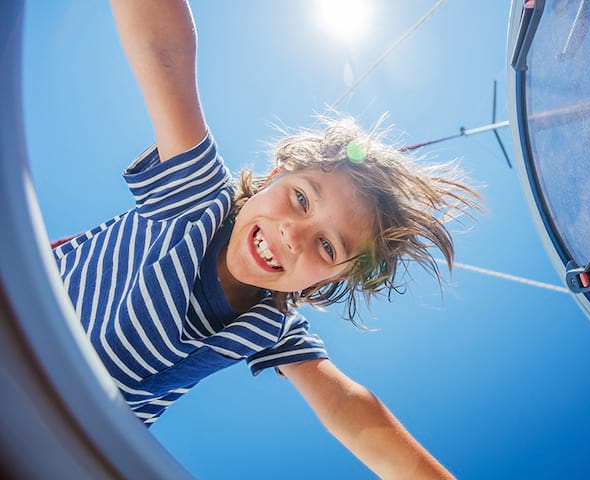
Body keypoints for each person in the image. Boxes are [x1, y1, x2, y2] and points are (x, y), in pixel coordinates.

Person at [52, 1, 478, 478]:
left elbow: (350, 409)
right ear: (275, 174)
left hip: (66, 434)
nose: (293, 236)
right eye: (300, 198)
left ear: (331, 279)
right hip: (26, 313)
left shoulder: (270, 326)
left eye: (328, 247)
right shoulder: (198, 197)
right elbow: (166, 53)